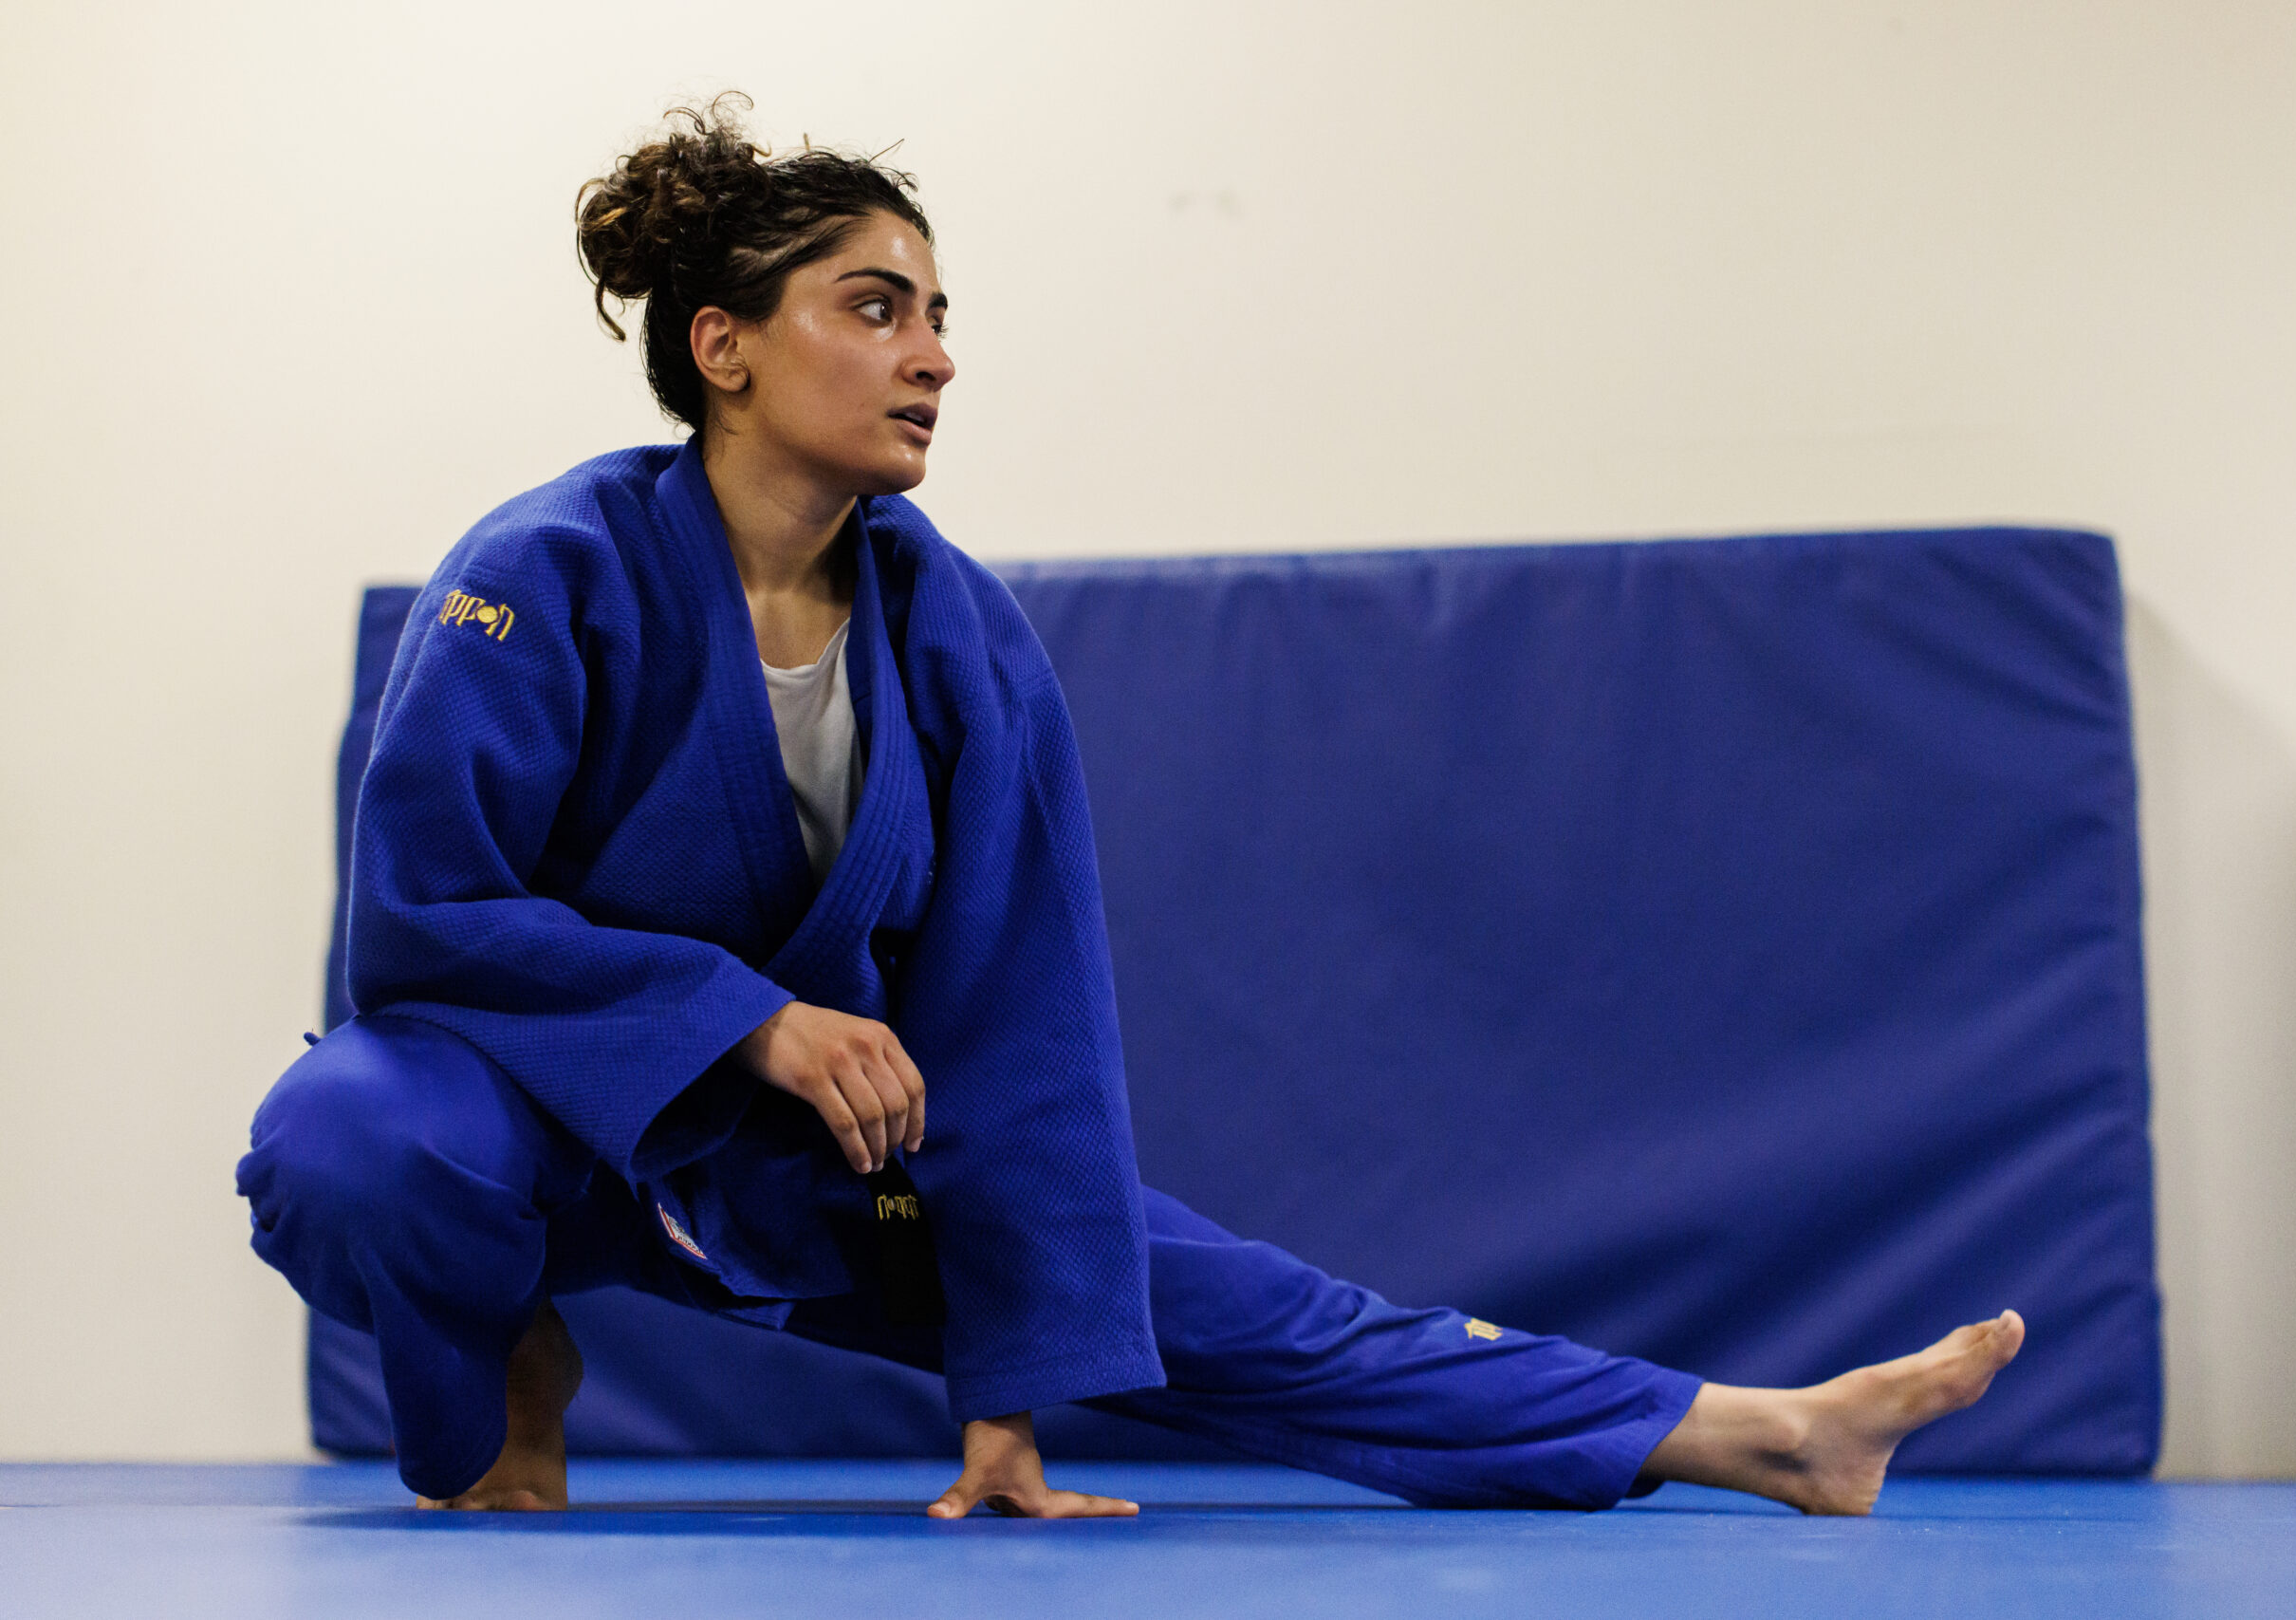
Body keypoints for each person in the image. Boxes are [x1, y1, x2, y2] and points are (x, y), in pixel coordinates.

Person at [236, 97, 2023, 1521]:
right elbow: (422, 925)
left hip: (804, 1167)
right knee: (348, 1139)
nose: (931, 355)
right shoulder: (539, 571)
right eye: (875, 309)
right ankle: (501, 1374)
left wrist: (1005, 1411)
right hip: (529, 1119)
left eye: (939, 318)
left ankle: (1761, 1437)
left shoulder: (958, 642)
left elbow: (1019, 1033)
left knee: (1239, 1302)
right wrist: (753, 1019)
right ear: (725, 346)